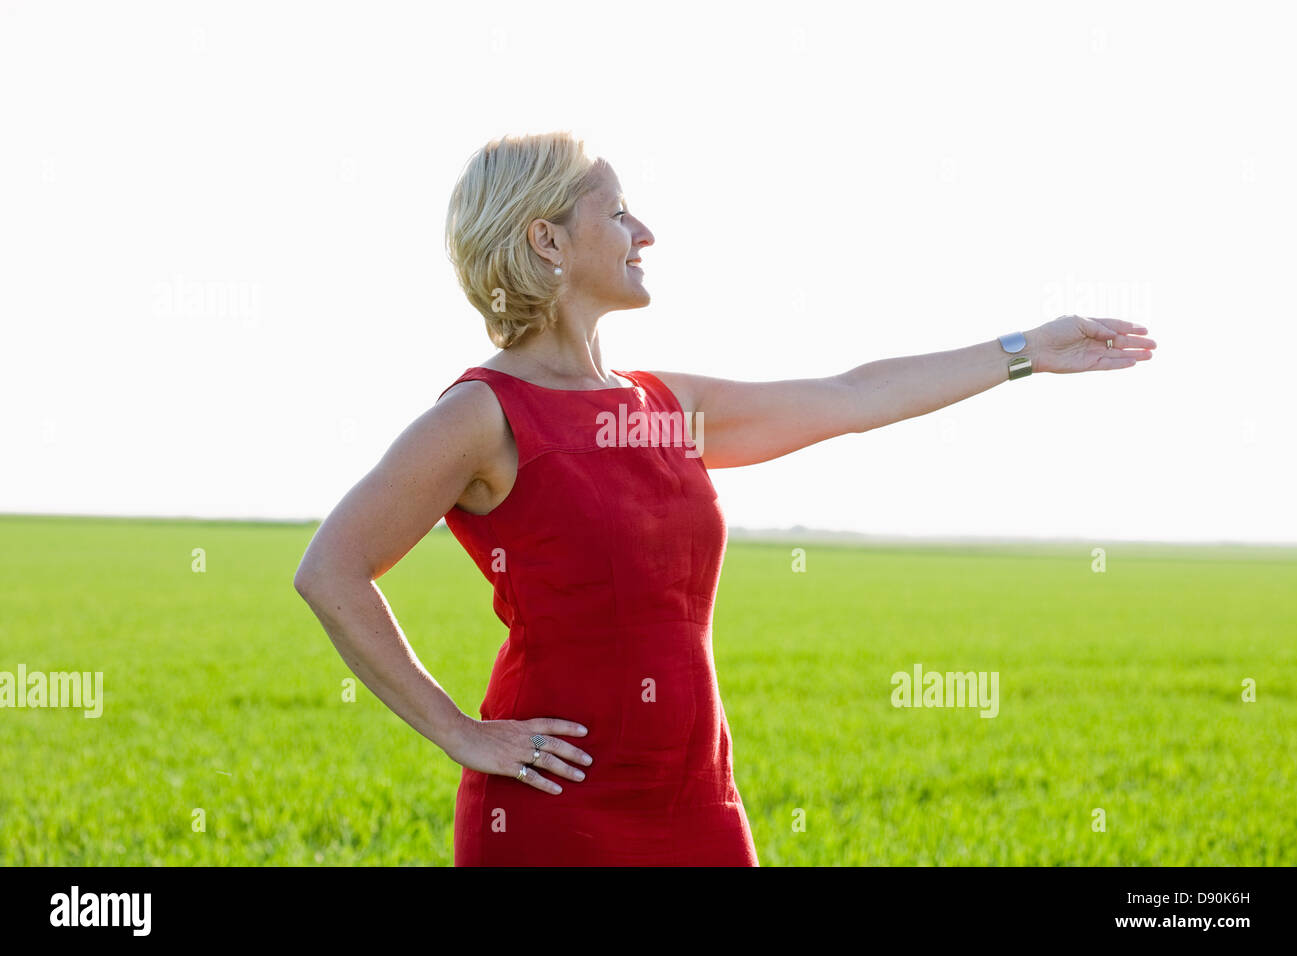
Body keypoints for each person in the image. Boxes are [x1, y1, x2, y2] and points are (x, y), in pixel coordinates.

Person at [292, 131, 1157, 866]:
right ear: (547, 240)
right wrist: (461, 734)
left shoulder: (664, 407)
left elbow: (851, 396)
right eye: (619, 212)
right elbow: (331, 569)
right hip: (552, 811)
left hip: (699, 805)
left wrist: (1024, 351)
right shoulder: (483, 415)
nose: (647, 232)